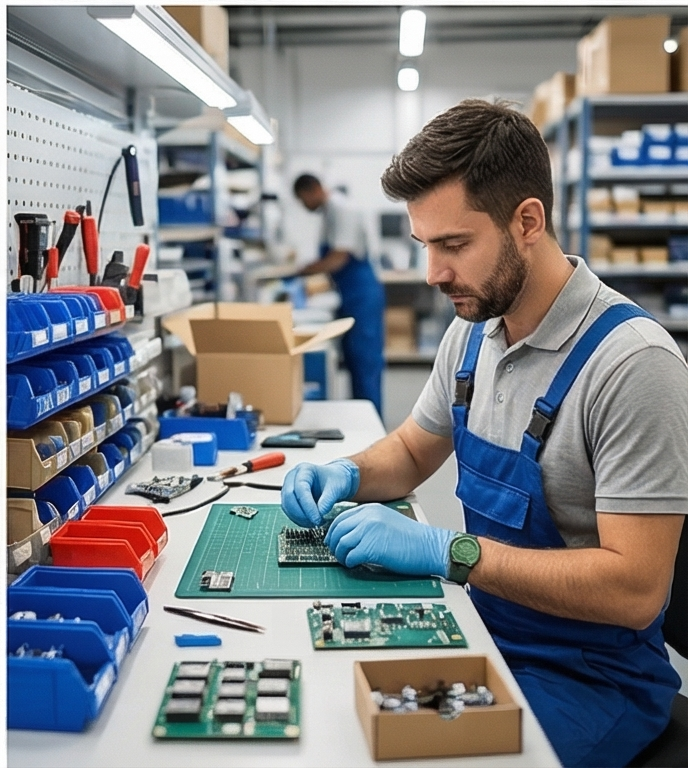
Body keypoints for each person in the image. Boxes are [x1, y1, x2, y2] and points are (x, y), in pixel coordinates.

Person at [282, 101, 688, 767]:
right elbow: (411, 450)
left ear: (527, 221)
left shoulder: (633, 364)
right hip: (482, 634)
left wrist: (452, 551)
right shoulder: (471, 333)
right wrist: (348, 473)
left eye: (453, 245)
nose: (432, 274)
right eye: (426, 246)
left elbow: (635, 590)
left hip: (590, 680)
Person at [293, 174, 385, 416]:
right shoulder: (330, 211)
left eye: (303, 199)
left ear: (313, 189)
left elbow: (338, 258)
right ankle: (362, 417)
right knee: (354, 359)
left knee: (365, 361)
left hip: (362, 294)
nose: (304, 205)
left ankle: (373, 422)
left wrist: (304, 270)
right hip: (350, 293)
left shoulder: (342, 208)